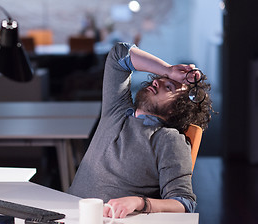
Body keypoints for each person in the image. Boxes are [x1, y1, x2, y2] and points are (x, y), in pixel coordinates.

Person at [68, 42, 213, 218]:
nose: (157, 81)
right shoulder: (117, 110)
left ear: (177, 109)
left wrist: (139, 202)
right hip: (67, 212)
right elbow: (118, 54)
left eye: (168, 87)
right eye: (159, 77)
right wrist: (168, 70)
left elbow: (184, 202)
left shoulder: (168, 139)